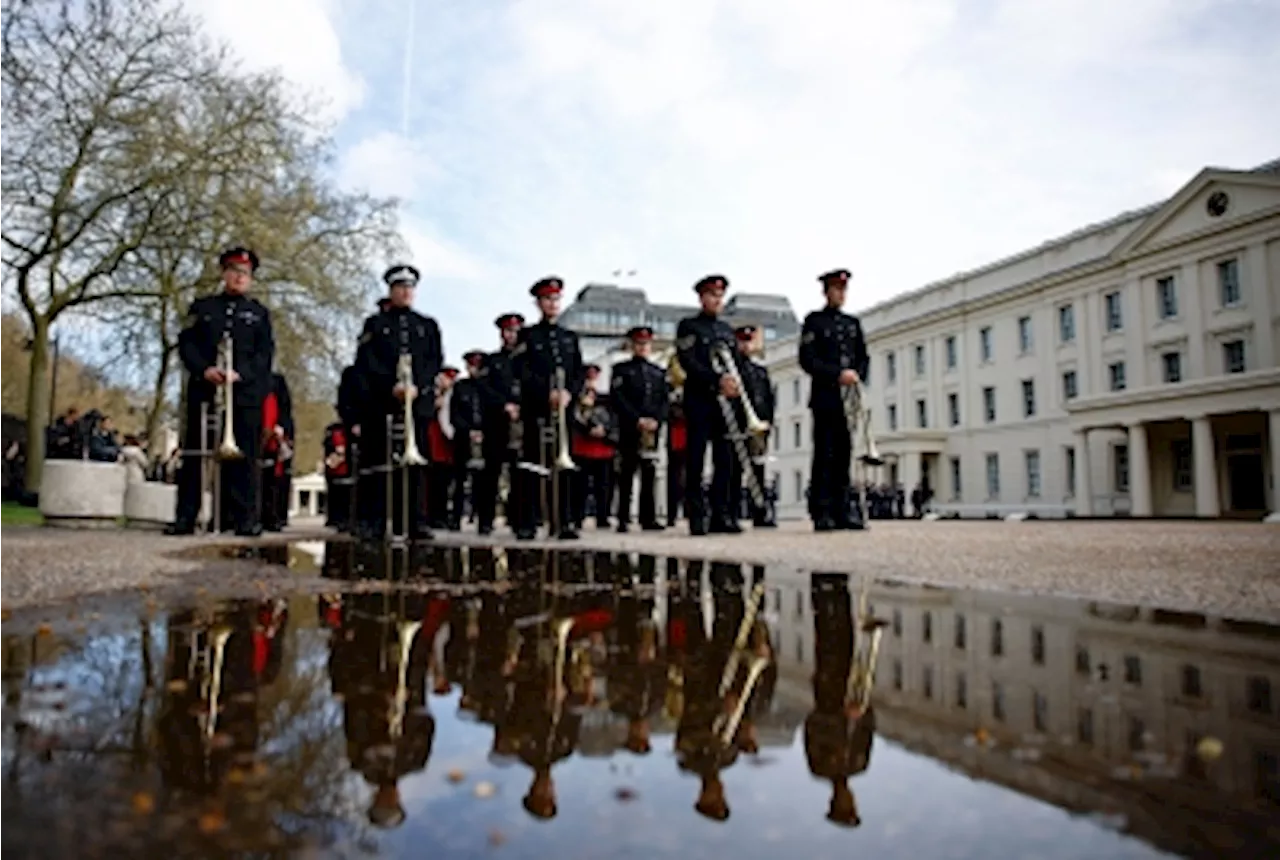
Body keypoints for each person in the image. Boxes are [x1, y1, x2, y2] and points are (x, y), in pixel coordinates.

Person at [167, 246, 275, 536]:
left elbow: (265, 356)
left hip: (244, 394)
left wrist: (242, 374)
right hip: (205, 391)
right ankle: (185, 517)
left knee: (245, 459)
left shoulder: (259, 314)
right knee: (194, 455)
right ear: (224, 273)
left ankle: (244, 518)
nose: (240, 277)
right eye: (235, 271)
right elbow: (187, 344)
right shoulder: (202, 308)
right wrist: (205, 369)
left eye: (245, 273)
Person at [351, 264, 444, 541]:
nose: (405, 292)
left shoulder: (427, 326)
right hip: (382, 403)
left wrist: (417, 385)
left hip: (416, 404)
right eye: (400, 287)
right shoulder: (375, 325)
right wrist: (391, 386)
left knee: (416, 464)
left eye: (409, 287)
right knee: (378, 463)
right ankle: (375, 520)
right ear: (391, 290)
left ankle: (415, 519)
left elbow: (433, 361)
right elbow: (366, 363)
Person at [510, 277, 584, 541]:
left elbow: (578, 373)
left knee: (564, 466)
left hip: (563, 410)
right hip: (536, 409)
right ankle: (527, 522)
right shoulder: (528, 336)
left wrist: (568, 393)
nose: (552, 304)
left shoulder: (570, 337)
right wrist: (546, 392)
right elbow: (521, 371)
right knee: (532, 466)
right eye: (547, 299)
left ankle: (563, 521)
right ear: (539, 303)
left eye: (556, 299)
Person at [799, 268, 870, 532]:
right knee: (824, 454)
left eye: (844, 289)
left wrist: (856, 376)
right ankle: (822, 510)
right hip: (826, 397)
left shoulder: (853, 324)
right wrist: (837, 375)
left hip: (848, 399)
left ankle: (843, 509)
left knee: (844, 454)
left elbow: (863, 357)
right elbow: (807, 359)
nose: (841, 294)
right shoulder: (814, 322)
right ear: (826, 291)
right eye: (836, 289)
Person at [675, 274, 743, 535]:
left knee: (724, 458)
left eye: (720, 295)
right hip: (700, 399)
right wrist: (716, 380)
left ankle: (721, 513)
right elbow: (687, 361)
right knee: (696, 458)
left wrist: (734, 385)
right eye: (712, 295)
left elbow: (736, 363)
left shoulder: (727, 330)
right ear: (702, 297)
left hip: (725, 403)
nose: (717, 299)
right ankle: (696, 514)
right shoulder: (688, 326)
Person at [611, 325, 668, 532]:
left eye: (645, 344)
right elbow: (618, 398)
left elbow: (664, 401)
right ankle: (623, 518)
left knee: (649, 473)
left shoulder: (658, 373)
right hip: (630, 428)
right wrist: (637, 419)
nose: (642, 347)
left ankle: (648, 517)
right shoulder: (621, 370)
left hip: (652, 430)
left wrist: (656, 420)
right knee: (627, 473)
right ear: (631, 345)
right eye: (638, 344)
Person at [476, 313, 523, 536]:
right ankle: (485, 520)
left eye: (514, 331)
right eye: (507, 331)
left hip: (521, 423)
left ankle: (517, 519)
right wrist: (504, 405)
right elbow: (484, 389)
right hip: (496, 422)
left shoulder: (527, 361)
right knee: (491, 472)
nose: (511, 335)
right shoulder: (492, 360)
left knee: (520, 473)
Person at [734, 325, 777, 527]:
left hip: (758, 426)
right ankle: (732, 513)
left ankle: (760, 512)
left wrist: (767, 422)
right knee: (736, 471)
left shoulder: (760, 370)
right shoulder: (732, 370)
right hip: (739, 425)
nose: (746, 345)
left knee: (758, 470)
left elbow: (768, 399)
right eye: (742, 341)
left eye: (749, 341)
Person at [570, 365, 616, 530]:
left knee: (603, 485)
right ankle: (578, 516)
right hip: (582, 445)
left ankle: (603, 515)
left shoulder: (606, 398)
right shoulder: (577, 396)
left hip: (603, 446)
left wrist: (606, 430)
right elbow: (574, 417)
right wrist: (588, 429)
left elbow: (613, 415)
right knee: (580, 485)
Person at [450, 351, 488, 530]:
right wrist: (468, 431)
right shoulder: (460, 387)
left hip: (485, 438)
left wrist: (483, 431)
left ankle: (482, 519)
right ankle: (456, 518)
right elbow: (454, 414)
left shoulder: (488, 387)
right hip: (463, 439)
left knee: (482, 481)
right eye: (471, 366)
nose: (474, 370)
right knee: (460, 479)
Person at [260, 371, 294, 531]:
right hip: (266, 436)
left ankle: (272, 515)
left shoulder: (274, 386)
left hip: (272, 438)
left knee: (272, 480)